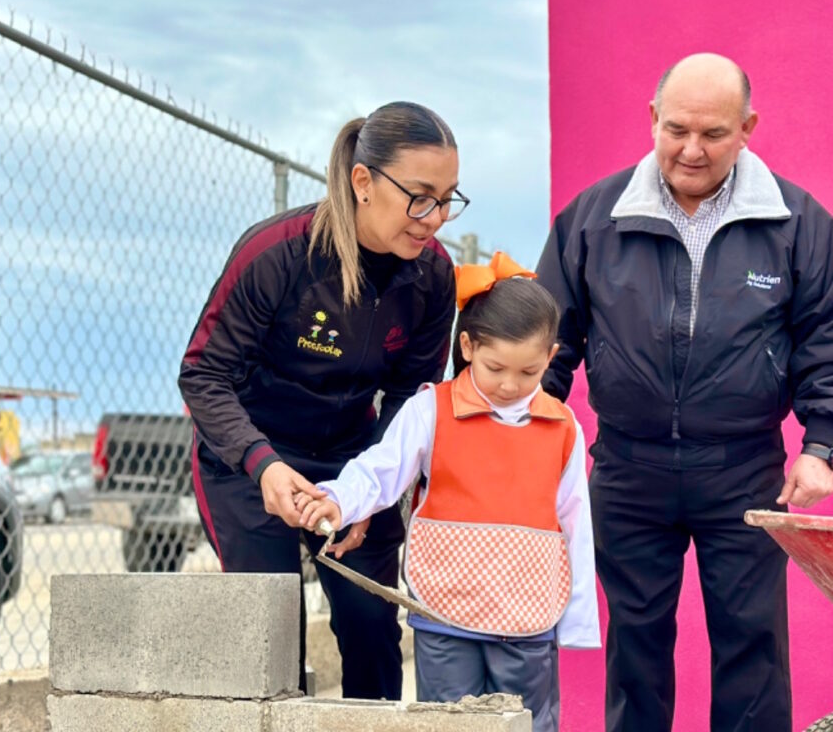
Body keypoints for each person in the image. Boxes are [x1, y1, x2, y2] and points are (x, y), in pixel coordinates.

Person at [535, 53, 833, 732]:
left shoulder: (799, 224)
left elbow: (831, 341)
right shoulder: (593, 221)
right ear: (653, 119)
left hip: (743, 471)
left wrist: (821, 445)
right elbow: (548, 341)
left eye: (714, 133)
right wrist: (525, 438)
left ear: (747, 128)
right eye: (677, 128)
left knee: (753, 648)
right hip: (627, 468)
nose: (692, 149)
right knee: (635, 645)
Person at [178, 101, 463, 698]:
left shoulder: (434, 276)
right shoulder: (277, 253)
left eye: (448, 198)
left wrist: (370, 489)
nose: (434, 217)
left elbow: (410, 399)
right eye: (420, 196)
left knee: (370, 626)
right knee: (271, 632)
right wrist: (264, 465)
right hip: (249, 460)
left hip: (353, 460)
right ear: (363, 182)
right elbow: (204, 374)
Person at [296, 254, 599, 732]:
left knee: (529, 724)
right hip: (444, 611)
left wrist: (577, 619)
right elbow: (381, 469)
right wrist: (337, 499)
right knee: (445, 723)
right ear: (468, 346)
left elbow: (575, 522)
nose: (509, 384)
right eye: (496, 366)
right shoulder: (429, 410)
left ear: (551, 357)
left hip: (528, 616)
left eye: (529, 372)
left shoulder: (563, 427)